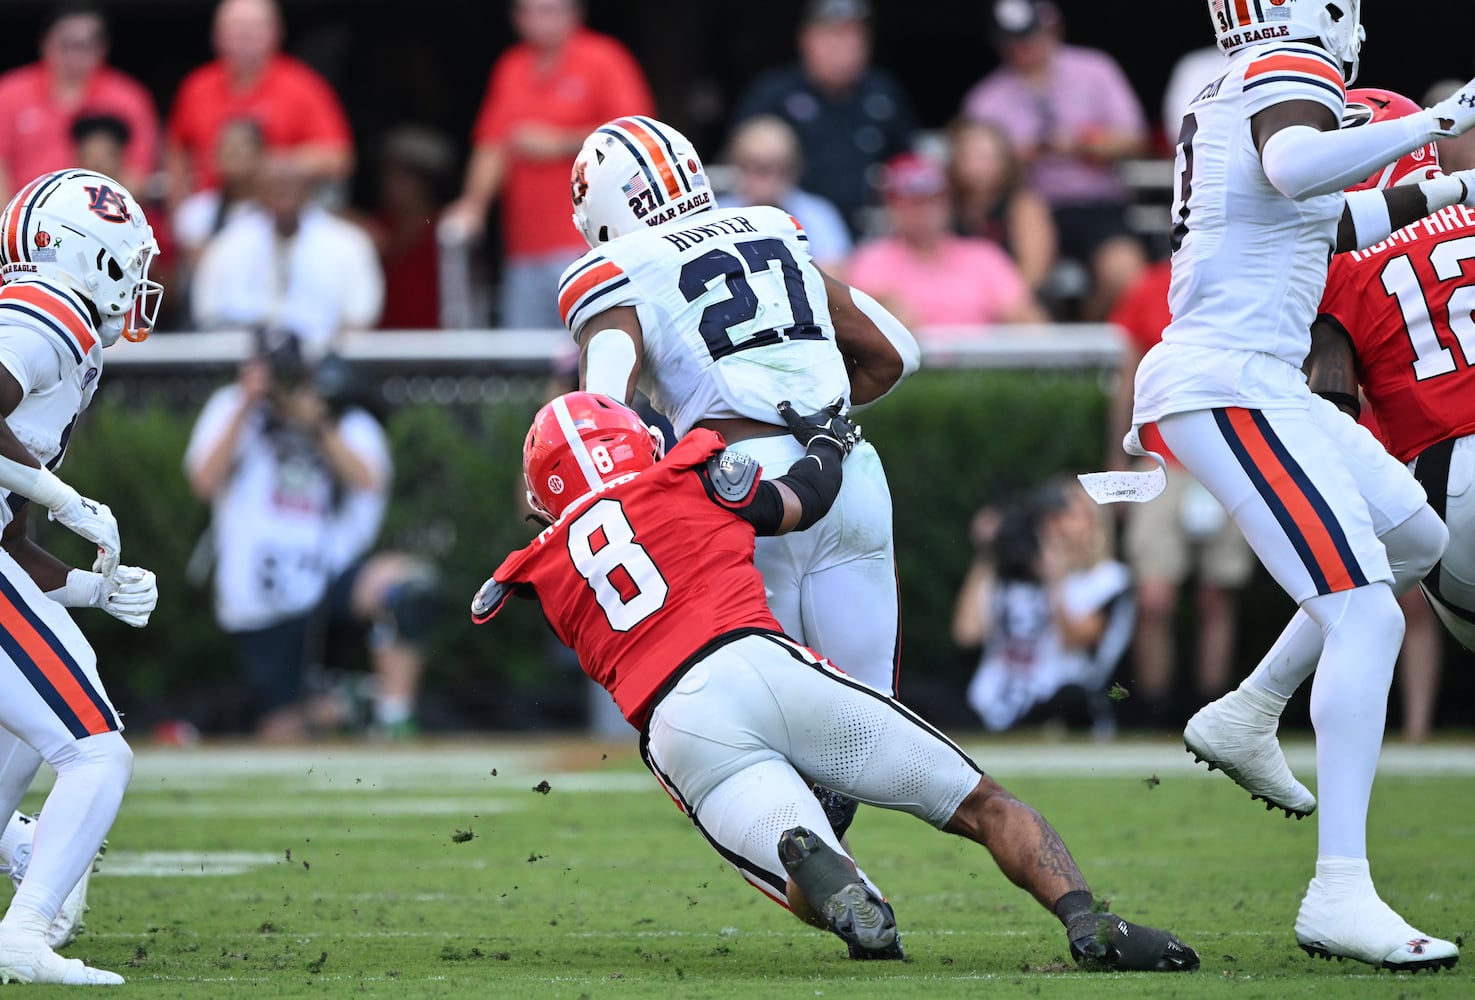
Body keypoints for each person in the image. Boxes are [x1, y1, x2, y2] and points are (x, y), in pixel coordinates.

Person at [471, 389, 1200, 972]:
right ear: (639, 441)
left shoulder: (528, 569)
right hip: (760, 661)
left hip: (677, 724)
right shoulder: (690, 467)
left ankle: (828, 875)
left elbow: (524, 565)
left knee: (799, 873)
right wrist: (826, 440)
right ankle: (1086, 919)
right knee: (982, 803)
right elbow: (801, 501)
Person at [1076, 0, 1475, 970]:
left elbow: (1322, 220)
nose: (1355, 26)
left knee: (1415, 539)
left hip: (1249, 378)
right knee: (1368, 615)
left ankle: (1248, 708)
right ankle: (1337, 888)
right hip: (1229, 381)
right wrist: (1432, 124)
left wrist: (1435, 190)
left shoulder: (1236, 81)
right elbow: (1294, 167)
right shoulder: (1285, 64)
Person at [561, 114, 918, 838]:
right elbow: (897, 353)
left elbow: (602, 413)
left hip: (741, 488)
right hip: (848, 467)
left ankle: (811, 860)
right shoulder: (768, 228)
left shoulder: (617, 268)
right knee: (872, 717)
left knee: (766, 717)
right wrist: (817, 416)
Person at [0, 168, 166, 985]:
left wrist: (95, 588)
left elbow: (13, 543)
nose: (139, 277)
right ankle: (23, 932)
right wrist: (63, 494)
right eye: (130, 257)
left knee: (25, 731)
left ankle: (24, 853)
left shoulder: (56, 335)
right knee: (96, 749)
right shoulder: (47, 309)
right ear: (88, 253)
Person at [1301, 88, 1475, 740]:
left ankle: (1257, 698)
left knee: (1364, 609)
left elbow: (1330, 417)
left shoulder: (1340, 265)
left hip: (1445, 479)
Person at [183, 328, 437, 742]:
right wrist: (248, 405)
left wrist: (317, 424)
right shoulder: (232, 407)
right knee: (280, 732)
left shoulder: (339, 416)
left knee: (412, 589)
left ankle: (395, 716)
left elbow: (368, 480)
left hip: (328, 578)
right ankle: (354, 704)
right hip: (261, 599)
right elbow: (203, 479)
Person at [439, 0, 654, 330]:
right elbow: (492, 144)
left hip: (590, 241)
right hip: (524, 246)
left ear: (574, 12)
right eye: (527, 11)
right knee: (525, 360)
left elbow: (636, 132)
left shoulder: (603, 57)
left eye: (548, 10)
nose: (537, 20)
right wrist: (474, 204)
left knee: (588, 346)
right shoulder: (511, 66)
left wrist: (559, 142)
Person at [1106, 258, 1255, 728]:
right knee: (1154, 597)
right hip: (1161, 462)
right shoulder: (1149, 286)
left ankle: (1213, 715)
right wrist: (1118, 459)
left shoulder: (1242, 281)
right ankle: (1153, 713)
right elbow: (1127, 381)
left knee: (1217, 596)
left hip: (1227, 459)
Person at [960, 0, 1149, 321]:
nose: (1021, 48)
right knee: (1026, 239)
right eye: (1011, 40)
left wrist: (1081, 144)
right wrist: (1014, 159)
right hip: (1022, 208)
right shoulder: (985, 99)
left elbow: (1135, 138)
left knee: (1124, 271)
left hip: (1096, 203)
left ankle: (1088, 347)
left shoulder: (1095, 70)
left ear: (1052, 28)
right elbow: (970, 166)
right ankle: (1037, 343)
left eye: (1029, 36)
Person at [951, 478, 1133, 738]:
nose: (1056, 524)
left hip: (1060, 700)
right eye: (1050, 516)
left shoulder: (1109, 580)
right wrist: (989, 552)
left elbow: (1077, 639)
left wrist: (1055, 579)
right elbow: (966, 634)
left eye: (1067, 514)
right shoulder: (1016, 574)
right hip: (994, 702)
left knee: (1072, 698)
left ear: (1095, 523)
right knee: (916, 696)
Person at [729, 0, 918, 240]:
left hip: (870, 231)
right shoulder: (774, 93)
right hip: (791, 229)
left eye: (854, 35)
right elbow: (743, 158)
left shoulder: (882, 93)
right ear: (806, 40)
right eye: (833, 35)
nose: (844, 46)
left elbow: (909, 164)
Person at [165, 0, 354, 207]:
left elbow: (338, 158)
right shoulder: (196, 87)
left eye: (254, 28)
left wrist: (271, 164)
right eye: (235, 28)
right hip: (213, 212)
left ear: (277, 32)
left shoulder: (303, 86)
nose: (244, 37)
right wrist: (178, 215)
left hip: (278, 215)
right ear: (216, 35)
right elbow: (176, 155)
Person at [190, 155, 384, 354]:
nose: (283, 192)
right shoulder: (227, 246)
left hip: (325, 369)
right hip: (242, 369)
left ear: (308, 190)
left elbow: (361, 317)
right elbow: (208, 314)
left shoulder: (349, 244)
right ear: (260, 190)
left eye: (291, 185)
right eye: (275, 185)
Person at [847, 151, 1049, 337]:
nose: (925, 212)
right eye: (913, 202)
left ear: (948, 203)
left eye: (934, 200)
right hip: (911, 371)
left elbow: (1025, 316)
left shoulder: (984, 256)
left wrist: (1023, 323)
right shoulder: (871, 260)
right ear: (892, 206)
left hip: (984, 368)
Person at [0, 3, 159, 206]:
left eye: (85, 45)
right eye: (66, 44)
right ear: (44, 43)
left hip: (98, 217)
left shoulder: (128, 97)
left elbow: (138, 176)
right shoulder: (9, 93)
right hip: (24, 216)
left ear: (103, 47)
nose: (74, 55)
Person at [721, 115, 853, 273]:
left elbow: (835, 275)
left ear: (794, 169)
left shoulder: (818, 214)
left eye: (778, 167)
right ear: (736, 166)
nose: (767, 179)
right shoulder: (717, 215)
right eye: (756, 166)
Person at [945, 117, 1058, 300]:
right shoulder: (945, 207)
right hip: (955, 305)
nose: (976, 166)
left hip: (1016, 307)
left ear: (1005, 162)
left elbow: (1034, 274)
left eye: (985, 157)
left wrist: (993, 306)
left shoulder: (1024, 205)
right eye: (969, 156)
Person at [172, 117, 268, 270]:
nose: (232, 152)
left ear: (262, 154)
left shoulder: (274, 216)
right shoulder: (196, 212)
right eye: (226, 145)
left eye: (241, 146)